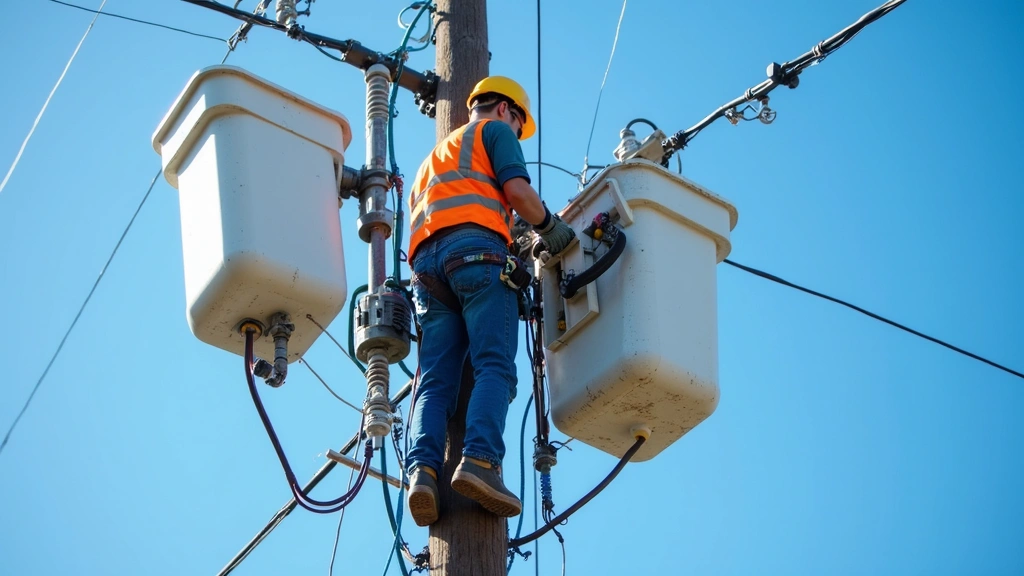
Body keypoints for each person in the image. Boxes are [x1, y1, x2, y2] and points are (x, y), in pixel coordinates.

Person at [404, 76, 575, 526]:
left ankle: (422, 472)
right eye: (519, 125)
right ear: (505, 110)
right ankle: (479, 462)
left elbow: (474, 203)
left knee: (436, 380)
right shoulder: (494, 133)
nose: (517, 135)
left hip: (427, 272)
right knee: (495, 366)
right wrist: (550, 228)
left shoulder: (430, 163)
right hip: (476, 255)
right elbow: (518, 193)